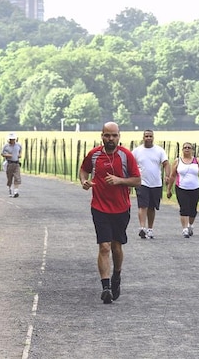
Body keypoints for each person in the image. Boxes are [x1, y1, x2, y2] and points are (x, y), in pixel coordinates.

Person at [80, 122, 141, 304]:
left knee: (116, 246)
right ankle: (105, 287)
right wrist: (84, 181)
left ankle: (116, 275)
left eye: (114, 135)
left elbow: (137, 180)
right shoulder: (94, 154)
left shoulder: (126, 156)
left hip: (121, 208)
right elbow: (84, 170)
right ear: (102, 136)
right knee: (104, 246)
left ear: (119, 136)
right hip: (99, 207)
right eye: (107, 135)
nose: (110, 139)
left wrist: (119, 180)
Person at [132, 129, 171, 239]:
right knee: (142, 205)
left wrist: (167, 176)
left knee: (151, 207)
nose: (148, 138)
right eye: (146, 136)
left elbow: (166, 164)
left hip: (156, 183)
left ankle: (150, 228)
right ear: (143, 138)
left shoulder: (159, 150)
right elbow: (131, 165)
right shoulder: (137, 151)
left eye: (150, 136)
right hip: (142, 182)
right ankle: (142, 228)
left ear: (153, 138)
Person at [166, 142, 199, 238]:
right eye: (185, 147)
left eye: (189, 148)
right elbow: (173, 176)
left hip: (194, 188)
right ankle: (185, 229)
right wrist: (169, 189)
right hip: (181, 188)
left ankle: (190, 225)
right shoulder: (178, 161)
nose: (187, 149)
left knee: (192, 209)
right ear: (182, 150)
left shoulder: (196, 160)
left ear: (192, 150)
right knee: (184, 208)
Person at [1, 133, 23, 197]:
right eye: (11, 139)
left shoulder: (18, 145)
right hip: (9, 163)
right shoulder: (6, 146)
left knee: (17, 177)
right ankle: (10, 189)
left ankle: (16, 192)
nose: (12, 140)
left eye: (13, 139)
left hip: (16, 163)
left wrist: (20, 155)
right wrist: (8, 155)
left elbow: (20, 151)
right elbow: (2, 153)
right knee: (9, 178)